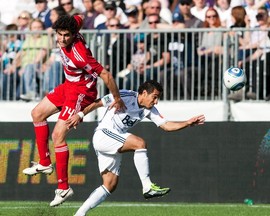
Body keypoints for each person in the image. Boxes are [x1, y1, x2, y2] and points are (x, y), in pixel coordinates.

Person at [22, 14, 126, 207]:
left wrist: (117, 98)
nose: (62, 39)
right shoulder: (72, 25)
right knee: (37, 113)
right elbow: (78, 16)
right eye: (59, 34)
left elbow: (105, 74)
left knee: (58, 135)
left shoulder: (79, 55)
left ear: (74, 34)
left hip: (81, 91)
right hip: (68, 85)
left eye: (66, 35)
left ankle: (63, 188)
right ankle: (44, 162)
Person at [65, 80, 206, 216]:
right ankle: (147, 186)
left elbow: (166, 126)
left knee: (110, 185)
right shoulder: (125, 96)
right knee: (139, 143)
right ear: (144, 93)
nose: (156, 101)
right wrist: (80, 114)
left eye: (158, 98)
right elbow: (98, 103)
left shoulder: (149, 109)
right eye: (154, 97)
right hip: (104, 134)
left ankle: (80, 213)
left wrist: (187, 123)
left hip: (114, 140)